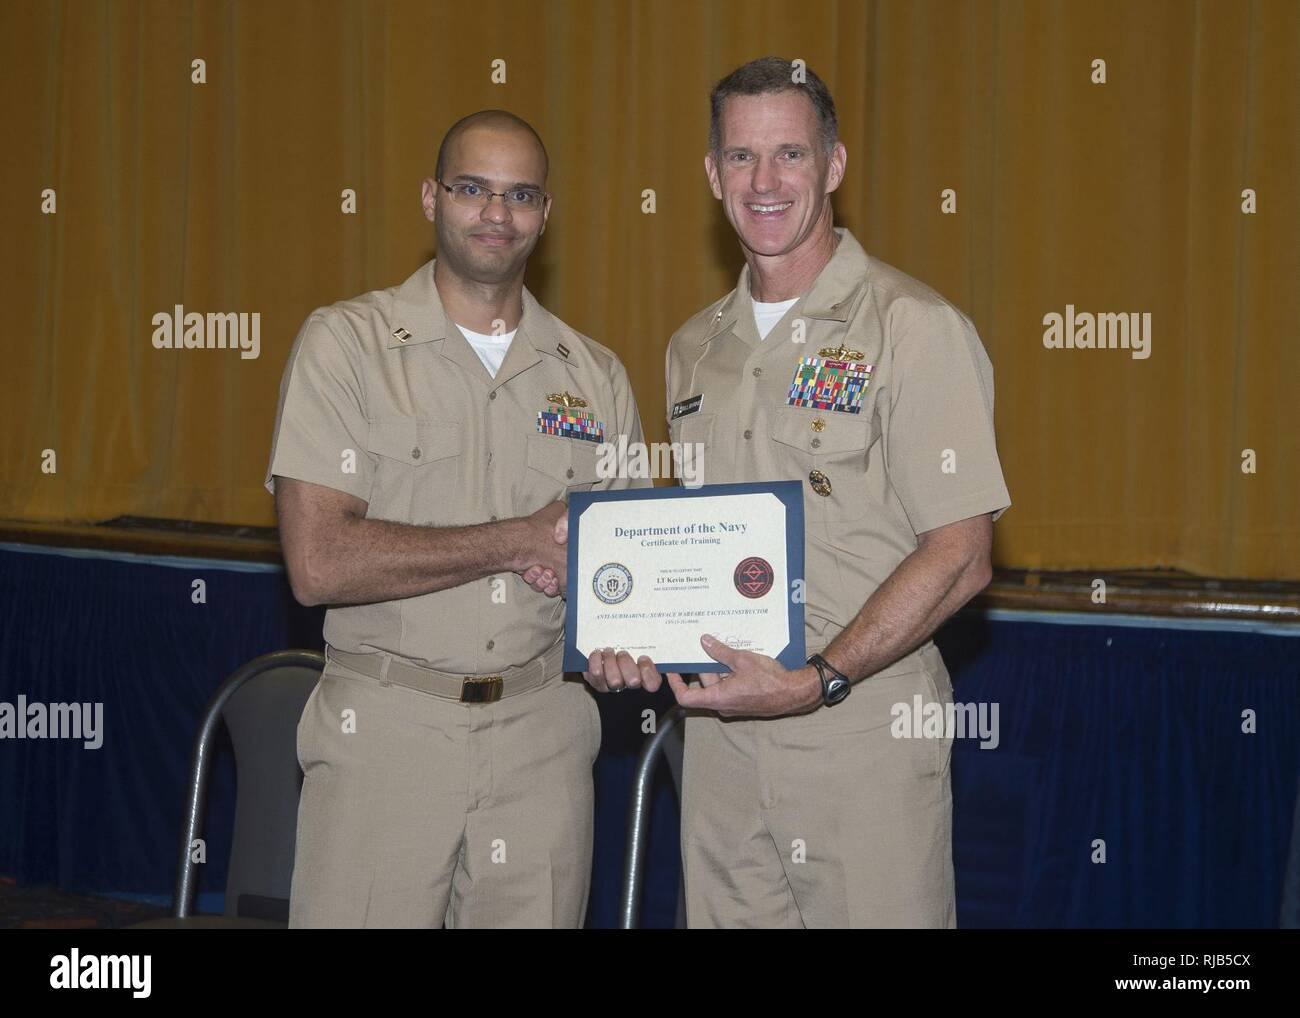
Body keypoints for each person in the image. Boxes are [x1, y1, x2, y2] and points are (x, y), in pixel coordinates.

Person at [541, 56, 1012, 927]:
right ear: (712, 174)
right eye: (742, 157)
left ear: (833, 166)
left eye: (790, 154)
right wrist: (628, 637)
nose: (766, 182)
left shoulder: (914, 329)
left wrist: (819, 679)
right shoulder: (693, 349)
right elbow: (686, 546)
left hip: (860, 735)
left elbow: (962, 555)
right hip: (718, 744)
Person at [265, 109, 649, 928]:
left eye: (520, 195)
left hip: (543, 741)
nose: (496, 214)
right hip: (387, 736)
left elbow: (624, 576)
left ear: (545, 215)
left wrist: (626, 638)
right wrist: (515, 540)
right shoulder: (346, 346)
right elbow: (318, 560)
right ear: (431, 198)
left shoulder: (598, 378)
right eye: (473, 188)